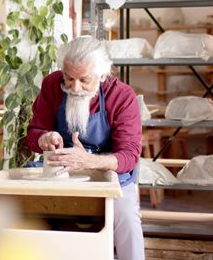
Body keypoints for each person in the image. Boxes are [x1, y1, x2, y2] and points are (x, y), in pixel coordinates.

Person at [25, 36, 144, 260]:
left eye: (84, 80)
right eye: (69, 78)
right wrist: (43, 138)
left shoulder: (121, 96)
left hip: (108, 172)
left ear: (102, 74)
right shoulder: (52, 84)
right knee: (27, 213)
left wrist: (88, 161)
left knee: (127, 218)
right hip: (61, 171)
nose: (75, 87)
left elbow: (129, 156)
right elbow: (33, 133)